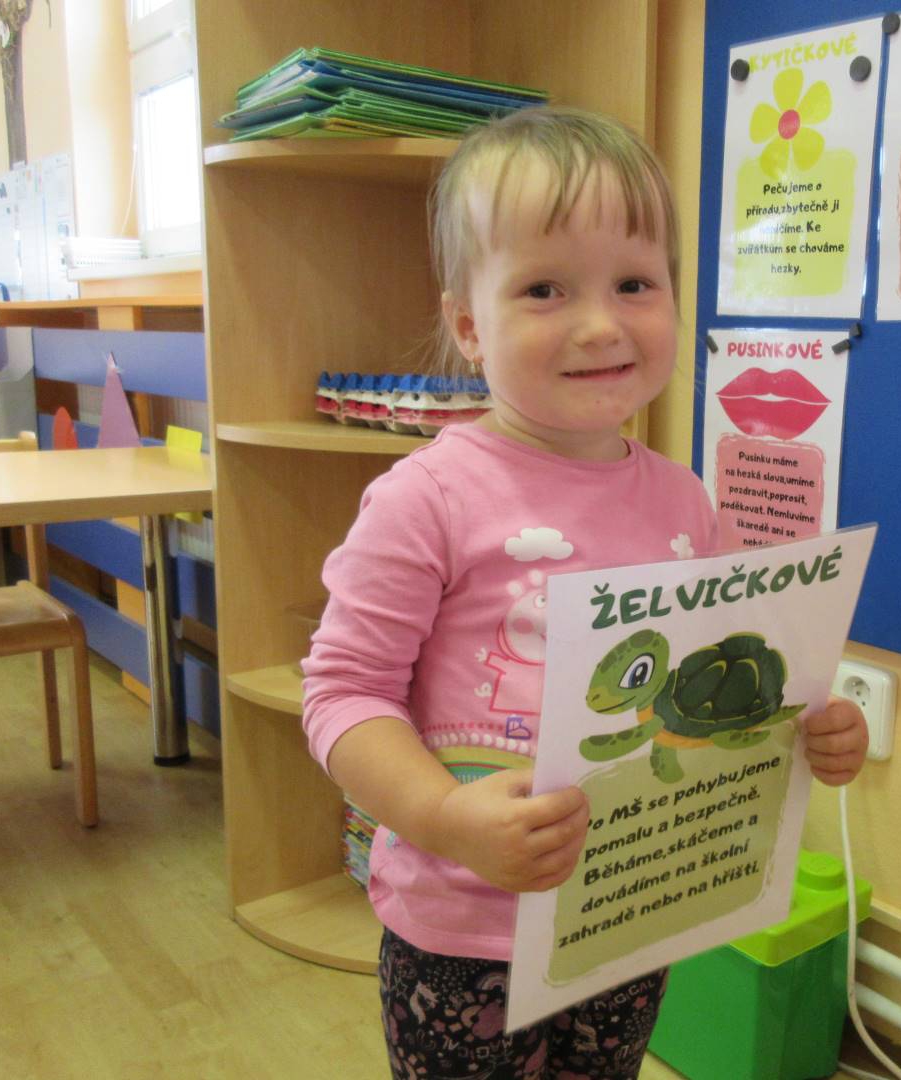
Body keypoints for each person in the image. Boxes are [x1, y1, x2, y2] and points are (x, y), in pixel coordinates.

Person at [301, 106, 869, 1080]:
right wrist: (443, 818)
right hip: (464, 932)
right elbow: (342, 694)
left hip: (627, 911)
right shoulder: (426, 497)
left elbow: (718, 684)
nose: (602, 324)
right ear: (469, 326)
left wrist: (808, 729)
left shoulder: (686, 500)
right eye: (544, 289)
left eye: (635, 283)